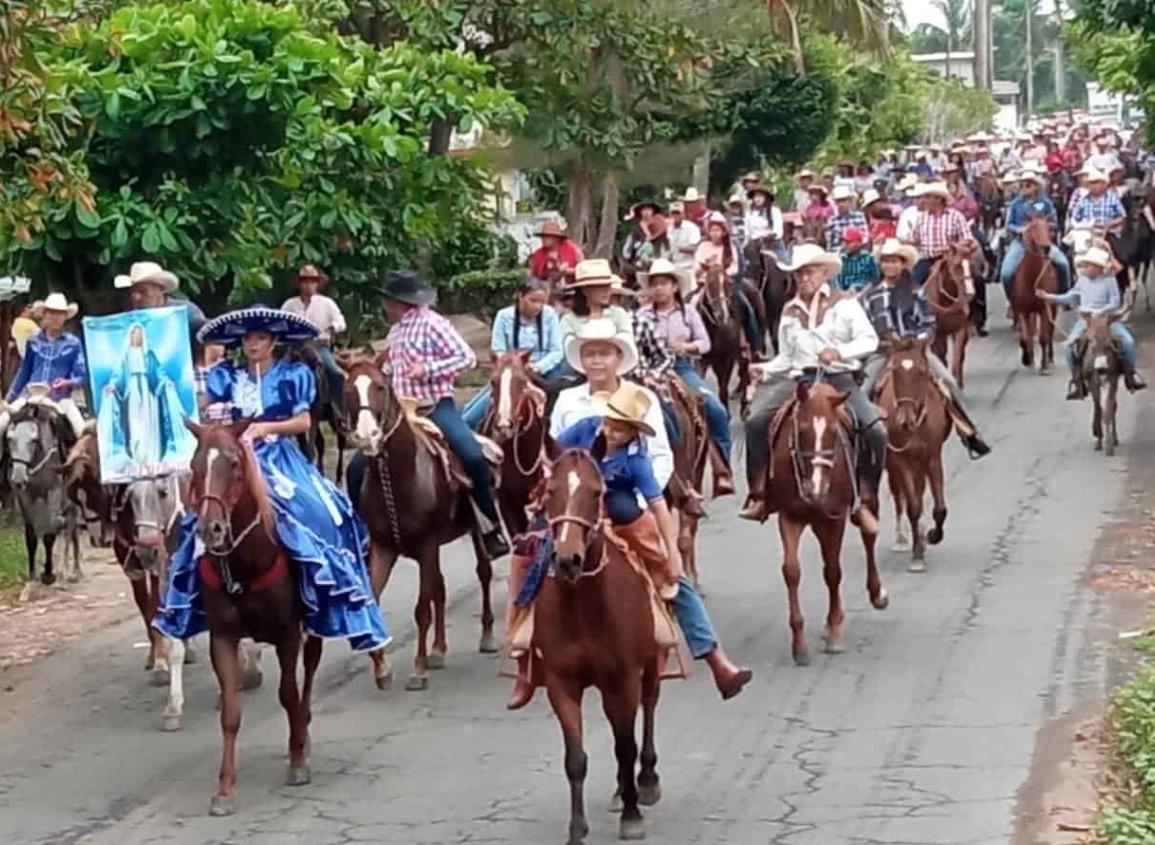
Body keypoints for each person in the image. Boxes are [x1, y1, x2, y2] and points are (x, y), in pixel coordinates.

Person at [502, 322, 751, 708]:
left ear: (619, 358)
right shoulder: (570, 402)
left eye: (604, 353)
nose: (597, 360)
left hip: (622, 497)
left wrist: (654, 514)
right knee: (526, 552)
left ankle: (714, 655)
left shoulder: (642, 401)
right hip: (574, 499)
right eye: (590, 353)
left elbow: (660, 458)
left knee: (666, 567)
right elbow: (553, 454)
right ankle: (522, 661)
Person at [153, 306, 391, 653]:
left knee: (319, 511)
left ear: (273, 342)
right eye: (248, 339)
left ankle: (321, 592)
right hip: (234, 455)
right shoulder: (227, 376)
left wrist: (267, 427)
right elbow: (203, 405)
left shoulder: (291, 374)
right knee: (197, 518)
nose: (253, 345)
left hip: (278, 456)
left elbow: (304, 423)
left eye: (260, 339)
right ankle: (189, 598)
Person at [360, 271, 509, 558]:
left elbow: (466, 357)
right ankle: (366, 532)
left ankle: (490, 526)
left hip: (435, 405)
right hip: (399, 412)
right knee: (359, 467)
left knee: (472, 455)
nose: (385, 307)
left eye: (388, 301)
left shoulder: (433, 323)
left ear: (397, 302)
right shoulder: (395, 332)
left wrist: (427, 369)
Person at [739, 244, 887, 529]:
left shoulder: (844, 303)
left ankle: (865, 497)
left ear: (823, 272)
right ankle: (759, 494)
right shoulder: (790, 311)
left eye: (809, 272)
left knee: (875, 430)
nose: (804, 278)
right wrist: (765, 369)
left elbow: (870, 340)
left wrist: (840, 352)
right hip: (802, 382)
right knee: (756, 421)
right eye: (799, 274)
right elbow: (786, 357)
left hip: (839, 379)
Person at [859, 240, 992, 457]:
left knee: (948, 381)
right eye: (886, 262)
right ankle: (862, 442)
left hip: (915, 349)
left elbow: (929, 321)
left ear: (903, 265)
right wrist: (882, 339)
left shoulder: (915, 292)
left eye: (894, 262)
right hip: (883, 351)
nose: (890, 266)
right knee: (865, 388)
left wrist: (919, 339)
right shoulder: (869, 294)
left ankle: (969, 432)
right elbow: (863, 323)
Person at [635, 259, 735, 494]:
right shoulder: (641, 315)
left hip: (681, 368)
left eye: (663, 283)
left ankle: (723, 470)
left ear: (674, 287)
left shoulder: (688, 312)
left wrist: (684, 347)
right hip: (648, 369)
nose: (658, 288)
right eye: (654, 284)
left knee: (716, 410)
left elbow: (705, 344)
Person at [1036, 246, 1147, 399]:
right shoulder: (1082, 281)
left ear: (1098, 267)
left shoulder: (1110, 280)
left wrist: (1101, 311)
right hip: (1086, 320)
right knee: (1069, 347)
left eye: (1088, 265)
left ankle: (1131, 375)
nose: (1085, 268)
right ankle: (1077, 380)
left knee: (1128, 342)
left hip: (1107, 319)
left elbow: (1115, 302)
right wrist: (1049, 297)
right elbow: (1071, 296)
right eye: (1085, 265)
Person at [462, 278, 564, 429]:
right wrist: (515, 366)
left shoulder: (550, 315)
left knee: (559, 402)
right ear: (520, 296)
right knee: (470, 416)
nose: (538, 306)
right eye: (533, 300)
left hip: (543, 372)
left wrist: (538, 367)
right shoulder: (504, 316)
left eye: (542, 302)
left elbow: (557, 350)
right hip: (511, 371)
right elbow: (498, 350)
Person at [97, 322, 196, 475]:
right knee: (135, 425)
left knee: (148, 426)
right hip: (132, 393)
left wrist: (166, 382)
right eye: (133, 334)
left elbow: (159, 372)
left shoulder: (148, 355)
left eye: (138, 334)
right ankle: (137, 459)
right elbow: (118, 375)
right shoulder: (126, 356)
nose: (136, 336)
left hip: (148, 393)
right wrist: (112, 385)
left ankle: (151, 459)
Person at [0, 292, 86, 441]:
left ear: (65, 316)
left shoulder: (73, 343)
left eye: (60, 313)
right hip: (29, 396)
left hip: (60, 399)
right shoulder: (33, 342)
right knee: (2, 424)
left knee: (81, 431)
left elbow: (81, 375)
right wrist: (9, 399)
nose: (55, 317)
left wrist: (67, 383)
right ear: (44, 315)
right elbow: (24, 372)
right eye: (51, 312)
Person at [694, 213, 762, 355]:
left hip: (727, 284)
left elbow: (735, 267)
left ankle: (753, 345)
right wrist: (706, 271)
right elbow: (697, 267)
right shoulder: (703, 247)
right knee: (691, 304)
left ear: (724, 231)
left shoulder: (731, 246)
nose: (715, 233)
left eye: (718, 230)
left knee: (746, 307)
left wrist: (720, 271)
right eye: (712, 230)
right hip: (706, 284)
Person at [998, 170, 1072, 298]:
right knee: (1006, 273)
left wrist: (1043, 226)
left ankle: (1065, 297)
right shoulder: (1016, 204)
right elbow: (1009, 224)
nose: (1024, 188)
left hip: (1042, 241)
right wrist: (1020, 229)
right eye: (1022, 185)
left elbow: (1054, 223)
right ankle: (1012, 301)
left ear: (1035, 186)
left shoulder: (1046, 203)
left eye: (1028, 185)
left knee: (1063, 264)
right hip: (1021, 242)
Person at [281, 264, 347, 385]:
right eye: (304, 280)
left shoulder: (327, 303)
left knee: (335, 373)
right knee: (278, 373)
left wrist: (333, 326)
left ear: (318, 283)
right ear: (299, 283)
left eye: (313, 280)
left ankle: (338, 403)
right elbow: (280, 324)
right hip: (295, 347)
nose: (309, 284)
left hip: (319, 346)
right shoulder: (289, 305)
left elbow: (341, 322)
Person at [113, 261, 207, 340]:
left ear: (161, 291)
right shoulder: (128, 316)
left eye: (143, 291)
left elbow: (208, 339)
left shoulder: (186, 312)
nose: (135, 297)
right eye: (133, 292)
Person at [909, 182, 975, 286]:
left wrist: (952, 246)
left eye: (927, 197)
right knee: (913, 284)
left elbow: (967, 238)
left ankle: (980, 302)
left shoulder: (956, 216)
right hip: (928, 260)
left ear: (938, 199)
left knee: (976, 278)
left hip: (952, 259)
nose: (924, 201)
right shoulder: (921, 218)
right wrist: (913, 241)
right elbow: (915, 239)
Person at [559, 259, 635, 340]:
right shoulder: (569, 321)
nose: (607, 291)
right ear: (585, 290)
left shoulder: (619, 315)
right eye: (601, 286)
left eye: (608, 285)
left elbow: (628, 345)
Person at [527, 220, 583, 287]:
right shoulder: (538, 254)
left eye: (547, 237)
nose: (543, 239)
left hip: (573, 288)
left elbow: (583, 270)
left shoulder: (573, 250)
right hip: (546, 290)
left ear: (557, 238)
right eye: (543, 237)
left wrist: (567, 271)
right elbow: (534, 276)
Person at [667, 200, 702, 282]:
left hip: (689, 267)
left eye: (678, 213)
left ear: (683, 214)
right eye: (673, 213)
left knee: (690, 291)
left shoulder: (692, 228)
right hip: (674, 267)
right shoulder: (669, 229)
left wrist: (678, 248)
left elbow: (695, 248)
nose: (676, 216)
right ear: (670, 215)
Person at [825, 186, 868, 253]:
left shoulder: (859, 216)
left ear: (850, 201)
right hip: (839, 254)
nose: (841, 204)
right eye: (839, 201)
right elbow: (830, 244)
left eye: (844, 200)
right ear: (836, 203)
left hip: (859, 252)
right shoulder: (832, 220)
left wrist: (854, 246)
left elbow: (865, 237)